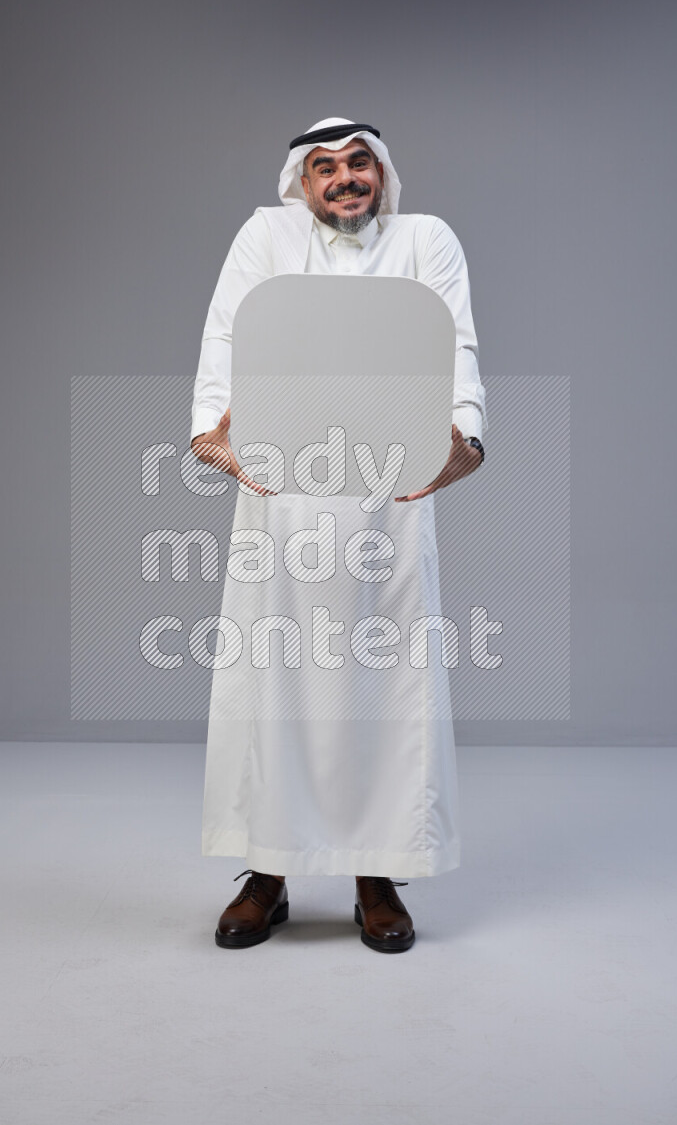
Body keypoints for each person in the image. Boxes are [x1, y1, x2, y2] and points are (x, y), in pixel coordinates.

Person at [190, 117, 487, 953]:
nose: (344, 178)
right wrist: (211, 432)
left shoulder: (426, 241)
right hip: (282, 492)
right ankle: (268, 873)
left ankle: (376, 876)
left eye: (359, 163)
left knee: (383, 684)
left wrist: (466, 435)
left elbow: (457, 342)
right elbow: (227, 333)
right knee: (274, 678)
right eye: (324, 167)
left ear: (382, 172)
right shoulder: (265, 236)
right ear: (302, 181)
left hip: (391, 491)